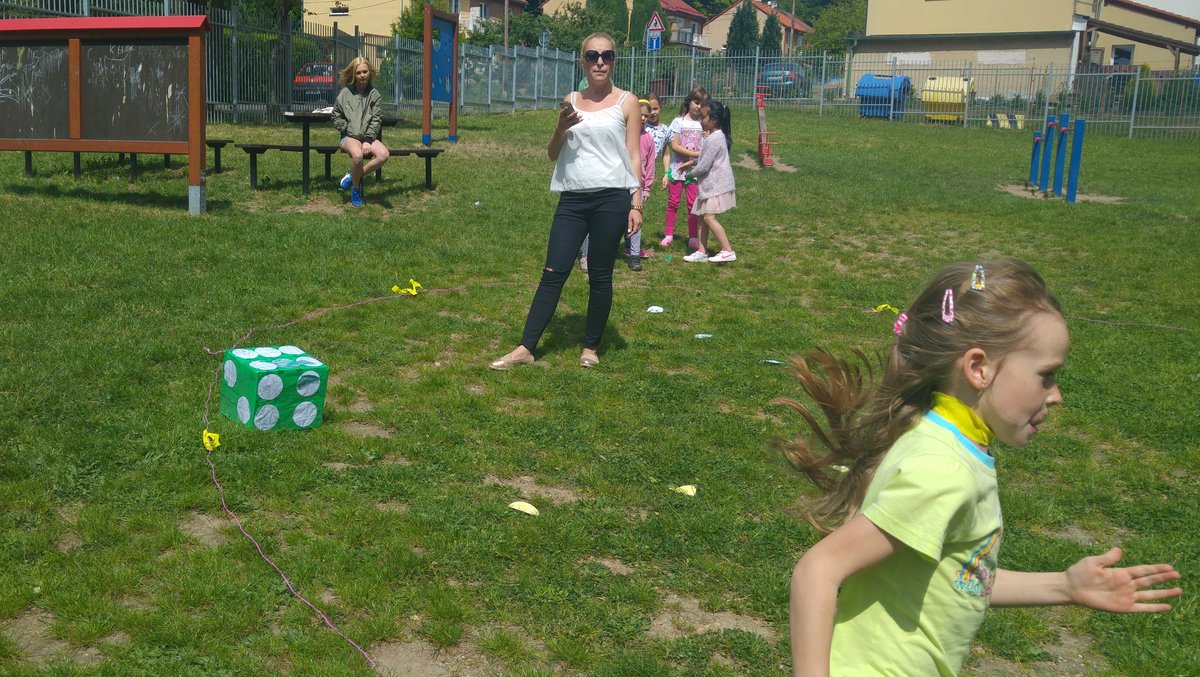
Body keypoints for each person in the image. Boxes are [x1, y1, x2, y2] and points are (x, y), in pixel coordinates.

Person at [778, 259, 1183, 676]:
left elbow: (960, 579)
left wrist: (1065, 585)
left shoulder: (943, 438)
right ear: (978, 368)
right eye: (1046, 376)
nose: (1056, 395)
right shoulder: (944, 471)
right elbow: (818, 570)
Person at [489, 33, 643, 371]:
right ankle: (526, 347)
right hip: (572, 199)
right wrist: (560, 127)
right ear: (582, 61)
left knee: (600, 275)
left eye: (606, 55)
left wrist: (636, 203)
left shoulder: (627, 102)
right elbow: (552, 153)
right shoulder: (570, 100)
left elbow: (634, 156)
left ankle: (591, 346)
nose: (599, 62)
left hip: (612, 198)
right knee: (553, 271)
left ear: (614, 60)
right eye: (592, 56)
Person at [577, 99, 653, 274]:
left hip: (635, 186)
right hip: (613, 182)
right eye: (639, 115)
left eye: (645, 116)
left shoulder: (648, 138)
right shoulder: (620, 133)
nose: (642, 118)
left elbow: (649, 166)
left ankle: (634, 254)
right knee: (595, 219)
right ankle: (586, 255)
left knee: (635, 218)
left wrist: (646, 188)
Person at [678, 100, 736, 264]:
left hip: (716, 186)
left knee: (709, 218)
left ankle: (728, 250)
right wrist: (691, 163)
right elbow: (705, 158)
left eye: (703, 117)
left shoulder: (715, 138)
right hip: (709, 186)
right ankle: (702, 252)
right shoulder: (713, 137)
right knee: (702, 218)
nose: (700, 120)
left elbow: (704, 166)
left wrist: (690, 175)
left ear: (714, 120)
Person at [331, 57, 390, 208]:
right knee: (357, 156)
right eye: (358, 73)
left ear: (370, 73)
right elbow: (335, 115)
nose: (362, 75)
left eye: (365, 71)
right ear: (353, 74)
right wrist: (346, 128)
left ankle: (353, 175)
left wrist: (368, 140)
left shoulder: (374, 94)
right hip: (349, 137)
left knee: (384, 155)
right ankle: (355, 189)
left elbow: (376, 119)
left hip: (367, 137)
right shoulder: (345, 93)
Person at [660, 87, 707, 254]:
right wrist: (695, 154)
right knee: (673, 202)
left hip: (694, 171)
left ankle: (693, 236)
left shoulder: (704, 123)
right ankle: (668, 235)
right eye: (696, 102)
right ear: (689, 101)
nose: (698, 106)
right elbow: (674, 146)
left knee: (692, 204)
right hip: (677, 169)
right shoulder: (678, 121)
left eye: (702, 103)